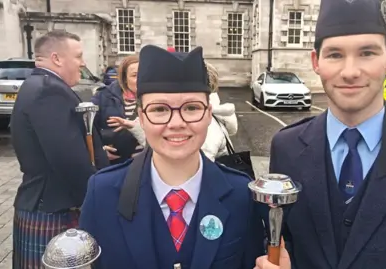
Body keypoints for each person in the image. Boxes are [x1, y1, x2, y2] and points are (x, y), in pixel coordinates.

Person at [254, 0, 386, 268]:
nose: (350, 72)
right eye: (335, 54)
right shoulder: (286, 147)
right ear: (316, 61)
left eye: (367, 52)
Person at [79, 45, 265, 269]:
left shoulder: (241, 195)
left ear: (208, 114)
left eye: (191, 108)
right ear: (142, 117)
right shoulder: (103, 192)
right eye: (159, 110)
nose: (176, 123)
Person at [10, 30, 109, 269]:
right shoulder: (48, 90)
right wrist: (100, 196)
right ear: (56, 58)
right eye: (78, 56)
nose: (83, 63)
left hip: (44, 201)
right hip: (54, 206)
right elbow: (67, 160)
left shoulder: (36, 84)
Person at [107, 61, 239, 161]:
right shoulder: (211, 114)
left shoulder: (207, 127)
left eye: (191, 108)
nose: (176, 122)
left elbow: (189, 166)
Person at [92, 55, 144, 165]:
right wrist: (98, 150)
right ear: (124, 79)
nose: (140, 79)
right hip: (115, 163)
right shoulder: (103, 96)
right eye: (135, 75)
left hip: (143, 163)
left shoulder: (155, 97)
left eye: (143, 74)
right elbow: (87, 128)